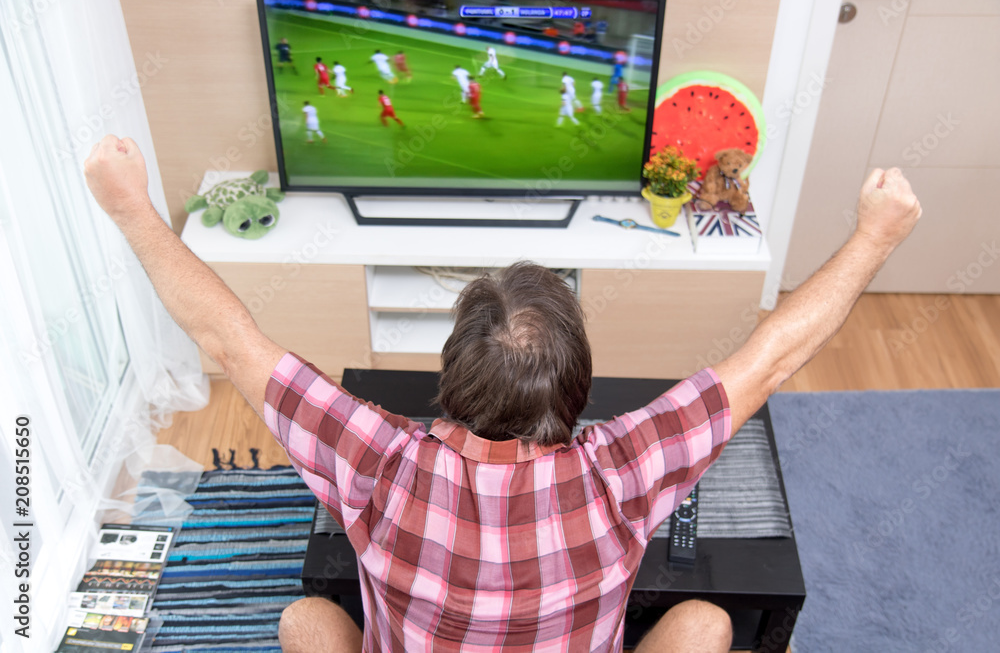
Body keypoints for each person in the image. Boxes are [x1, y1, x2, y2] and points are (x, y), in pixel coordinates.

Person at [85, 135, 922, 652]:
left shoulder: (375, 458)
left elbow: (231, 341)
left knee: (304, 621)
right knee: (706, 624)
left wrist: (132, 208)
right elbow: (771, 357)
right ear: (580, 386)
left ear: (450, 373)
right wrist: (875, 236)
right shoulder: (624, 467)